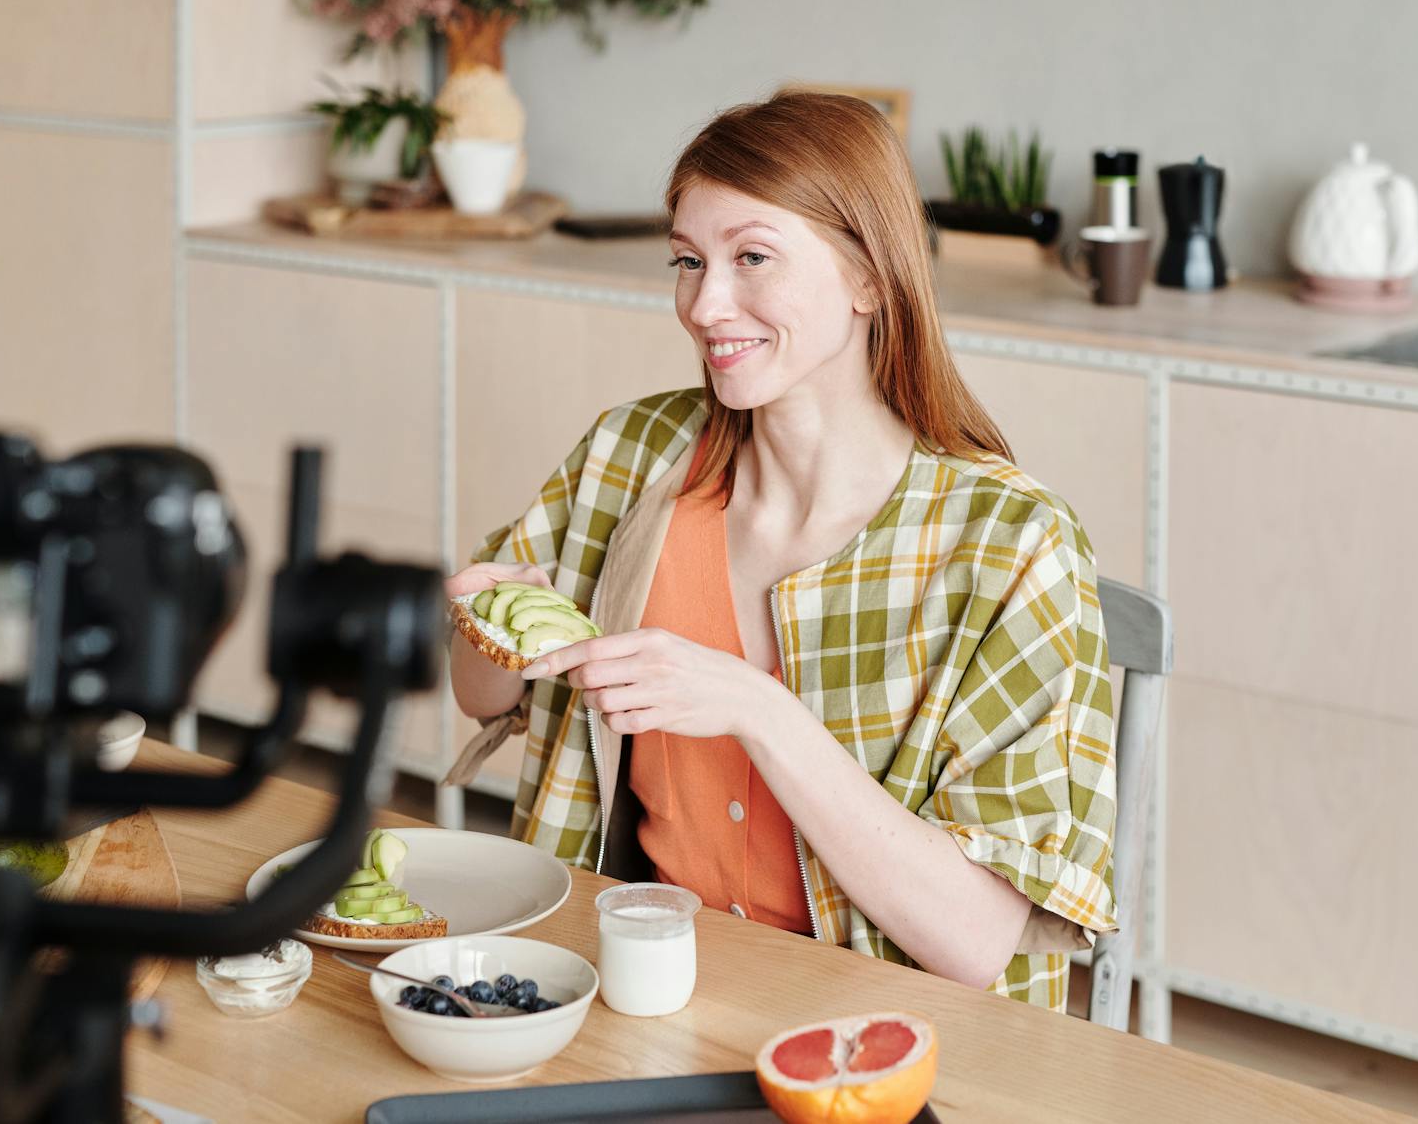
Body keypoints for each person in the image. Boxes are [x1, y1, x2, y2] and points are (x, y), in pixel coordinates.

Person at [443, 89, 1117, 1011]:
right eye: (688, 260)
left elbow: (974, 942)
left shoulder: (1010, 545)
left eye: (752, 256)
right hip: (629, 992)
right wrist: (489, 624)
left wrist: (756, 708)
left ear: (870, 277)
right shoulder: (631, 457)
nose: (705, 304)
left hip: (887, 1045)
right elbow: (480, 695)